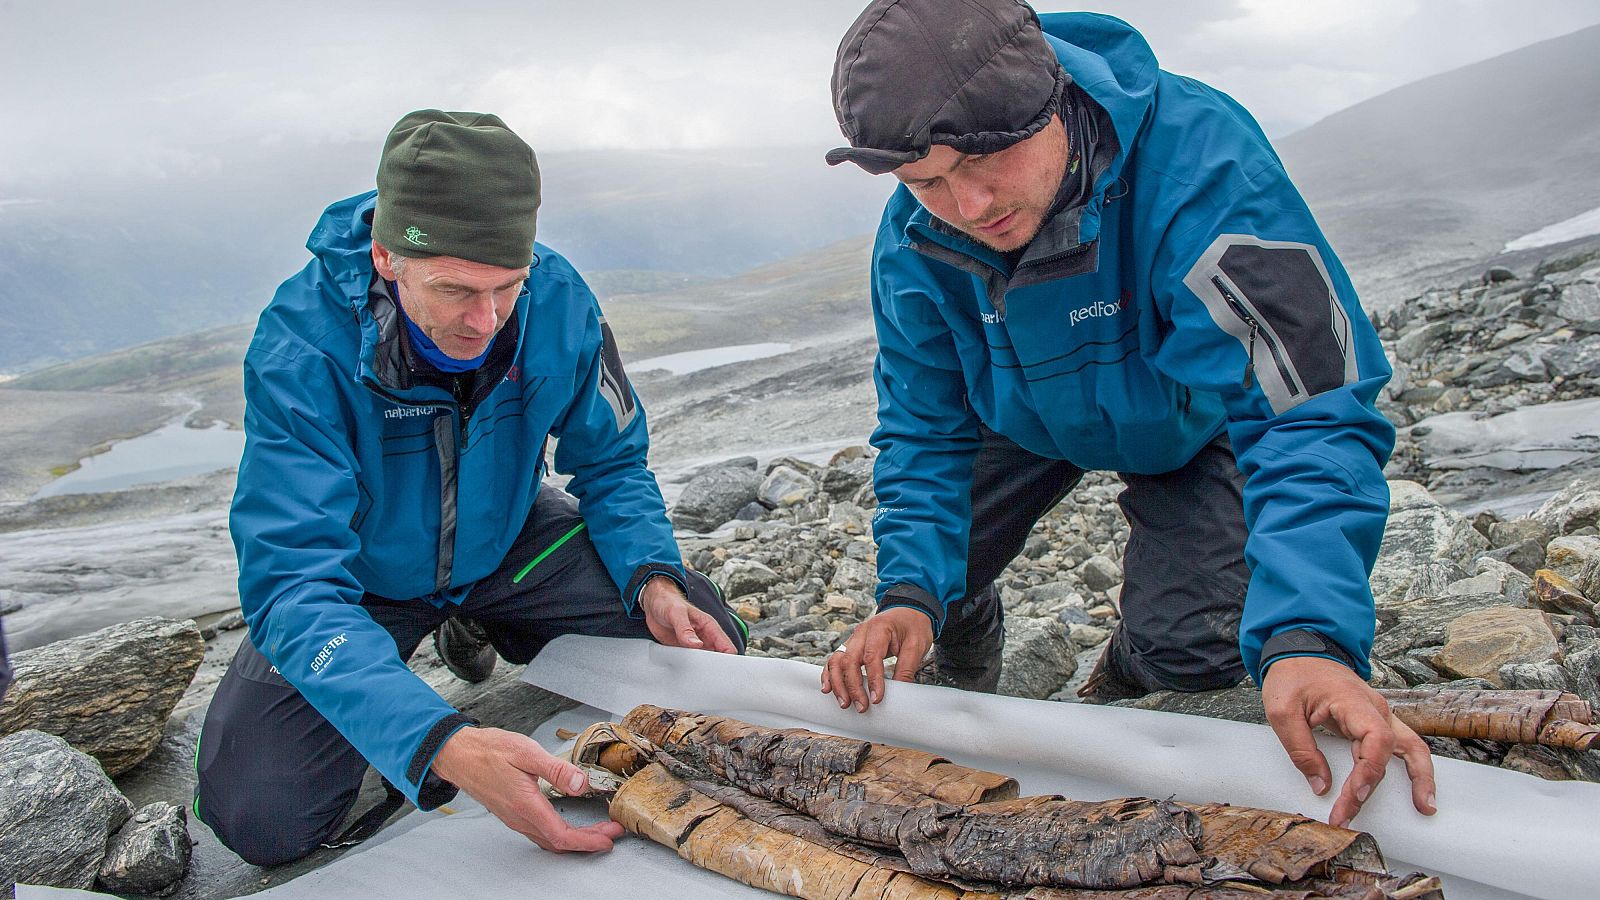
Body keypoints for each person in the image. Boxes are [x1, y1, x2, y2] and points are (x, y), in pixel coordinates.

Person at [818, 0, 1435, 831]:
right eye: (925, 181)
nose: (968, 207)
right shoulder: (916, 240)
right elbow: (924, 425)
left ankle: (1129, 661)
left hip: (1189, 414)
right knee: (928, 592)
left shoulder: (1203, 165)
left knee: (1196, 650)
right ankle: (967, 643)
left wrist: (1310, 640)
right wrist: (909, 590)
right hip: (1021, 417)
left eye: (984, 160)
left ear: (1051, 102)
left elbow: (1309, 406)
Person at [196, 110, 745, 866]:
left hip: (510, 543)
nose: (484, 321)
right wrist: (439, 743)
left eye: (507, 288)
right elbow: (292, 583)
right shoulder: (301, 348)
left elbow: (613, 462)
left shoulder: (559, 301)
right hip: (362, 584)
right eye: (456, 290)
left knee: (705, 632)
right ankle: (442, 653)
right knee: (260, 819)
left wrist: (652, 576)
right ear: (389, 257)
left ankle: (491, 622)